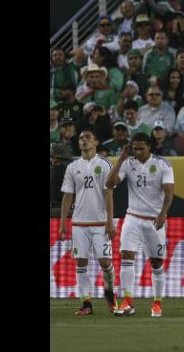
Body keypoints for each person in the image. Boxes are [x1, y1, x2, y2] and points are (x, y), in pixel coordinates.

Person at [107, 133, 175, 318]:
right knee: (126, 256)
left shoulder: (163, 164)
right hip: (133, 217)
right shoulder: (128, 163)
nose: (137, 152)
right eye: (134, 148)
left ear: (149, 147)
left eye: (141, 148)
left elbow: (169, 193)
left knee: (156, 262)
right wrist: (121, 158)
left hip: (154, 220)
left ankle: (157, 303)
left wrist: (163, 213)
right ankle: (128, 302)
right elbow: (109, 183)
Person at [58, 130, 119, 315]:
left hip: (101, 223)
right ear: (79, 144)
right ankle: (86, 304)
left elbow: (109, 194)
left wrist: (110, 221)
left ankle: (109, 293)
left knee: (105, 261)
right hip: (79, 223)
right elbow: (68, 195)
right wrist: (63, 223)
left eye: (88, 138)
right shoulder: (72, 167)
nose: (84, 140)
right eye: (81, 138)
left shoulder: (105, 164)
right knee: (80, 262)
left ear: (96, 142)